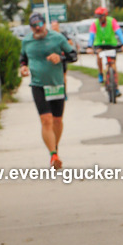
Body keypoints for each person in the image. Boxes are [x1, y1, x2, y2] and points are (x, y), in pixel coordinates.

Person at [19, 11, 77, 170]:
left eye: (39, 24)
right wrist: (23, 67)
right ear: (30, 27)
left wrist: (61, 58)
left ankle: (55, 147)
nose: (37, 28)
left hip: (56, 84)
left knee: (57, 120)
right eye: (33, 26)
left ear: (45, 24)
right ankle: (53, 155)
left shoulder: (57, 38)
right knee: (46, 120)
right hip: (38, 85)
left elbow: (73, 55)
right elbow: (23, 58)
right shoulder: (27, 41)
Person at [86, 7, 123, 94]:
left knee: (113, 66)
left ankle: (116, 88)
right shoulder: (95, 24)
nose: (99, 19)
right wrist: (89, 47)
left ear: (105, 16)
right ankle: (101, 73)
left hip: (111, 44)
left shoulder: (112, 21)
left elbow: (119, 32)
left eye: (100, 17)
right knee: (99, 57)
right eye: (98, 17)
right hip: (99, 44)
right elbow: (91, 36)